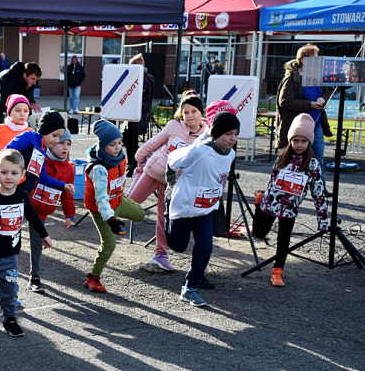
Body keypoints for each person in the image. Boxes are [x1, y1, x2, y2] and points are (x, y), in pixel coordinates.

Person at [0, 149, 52, 337]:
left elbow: (32, 216)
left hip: (10, 258)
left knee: (10, 290)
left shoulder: (22, 196)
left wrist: (44, 235)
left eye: (14, 173)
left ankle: (10, 319)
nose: (8, 177)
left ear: (22, 175)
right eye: (4, 172)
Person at [164, 111, 239, 307]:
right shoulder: (198, 151)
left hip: (206, 209)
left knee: (205, 247)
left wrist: (215, 196)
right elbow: (172, 159)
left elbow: (218, 178)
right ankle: (166, 214)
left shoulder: (231, 154)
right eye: (228, 134)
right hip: (183, 207)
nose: (232, 139)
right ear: (216, 133)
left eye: (236, 134)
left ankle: (190, 287)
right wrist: (171, 185)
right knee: (178, 246)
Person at [128, 91, 207, 272]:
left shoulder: (206, 136)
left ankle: (160, 255)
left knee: (164, 218)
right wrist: (139, 159)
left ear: (201, 112)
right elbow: (154, 143)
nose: (189, 116)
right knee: (131, 203)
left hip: (173, 183)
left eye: (193, 111)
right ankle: (104, 209)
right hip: (154, 171)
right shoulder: (174, 126)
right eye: (185, 112)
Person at [253, 114, 328, 287]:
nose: (299, 145)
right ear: (290, 141)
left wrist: (322, 219)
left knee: (283, 239)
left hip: (290, 209)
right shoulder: (282, 158)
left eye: (303, 141)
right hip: (270, 204)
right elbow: (272, 181)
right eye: (296, 140)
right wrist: (264, 199)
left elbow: (318, 193)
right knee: (259, 233)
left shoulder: (313, 165)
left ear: (309, 142)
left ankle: (277, 271)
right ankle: (257, 202)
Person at [83, 120, 145, 293]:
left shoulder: (119, 155)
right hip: (102, 210)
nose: (117, 148)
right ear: (102, 146)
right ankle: (92, 278)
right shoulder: (99, 169)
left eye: (119, 143)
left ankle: (121, 211)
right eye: (112, 144)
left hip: (117, 200)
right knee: (109, 244)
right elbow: (101, 199)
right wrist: (111, 220)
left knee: (140, 215)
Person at [277, 43, 332, 196]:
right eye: (314, 58)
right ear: (302, 60)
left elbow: (327, 91)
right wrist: (310, 104)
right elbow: (285, 101)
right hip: (298, 125)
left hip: (316, 123)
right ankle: (290, 186)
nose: (317, 61)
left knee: (318, 155)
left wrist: (322, 99)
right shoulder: (291, 78)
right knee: (293, 157)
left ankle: (319, 187)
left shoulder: (316, 75)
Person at [29, 130, 75, 293]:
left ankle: (34, 278)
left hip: (42, 211)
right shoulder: (40, 159)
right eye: (61, 143)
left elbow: (67, 194)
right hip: (25, 204)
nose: (65, 147)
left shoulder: (69, 169)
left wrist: (69, 214)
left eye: (68, 144)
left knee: (37, 244)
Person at [0, 61, 43, 128]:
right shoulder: (7, 77)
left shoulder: (28, 83)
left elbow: (29, 99)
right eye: (33, 78)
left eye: (36, 79)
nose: (34, 82)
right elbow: (6, 101)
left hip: (0, 114)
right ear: (25, 75)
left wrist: (33, 106)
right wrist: (27, 105)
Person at [121, 54, 155, 172]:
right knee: (128, 138)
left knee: (131, 138)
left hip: (140, 114)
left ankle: (135, 164)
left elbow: (140, 93)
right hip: (134, 113)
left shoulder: (145, 78)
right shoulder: (144, 77)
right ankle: (133, 163)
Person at [0, 94, 32, 168]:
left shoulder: (31, 132)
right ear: (9, 113)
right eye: (18, 110)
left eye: (26, 111)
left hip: (22, 174)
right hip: (0, 171)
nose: (22, 114)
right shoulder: (0, 128)